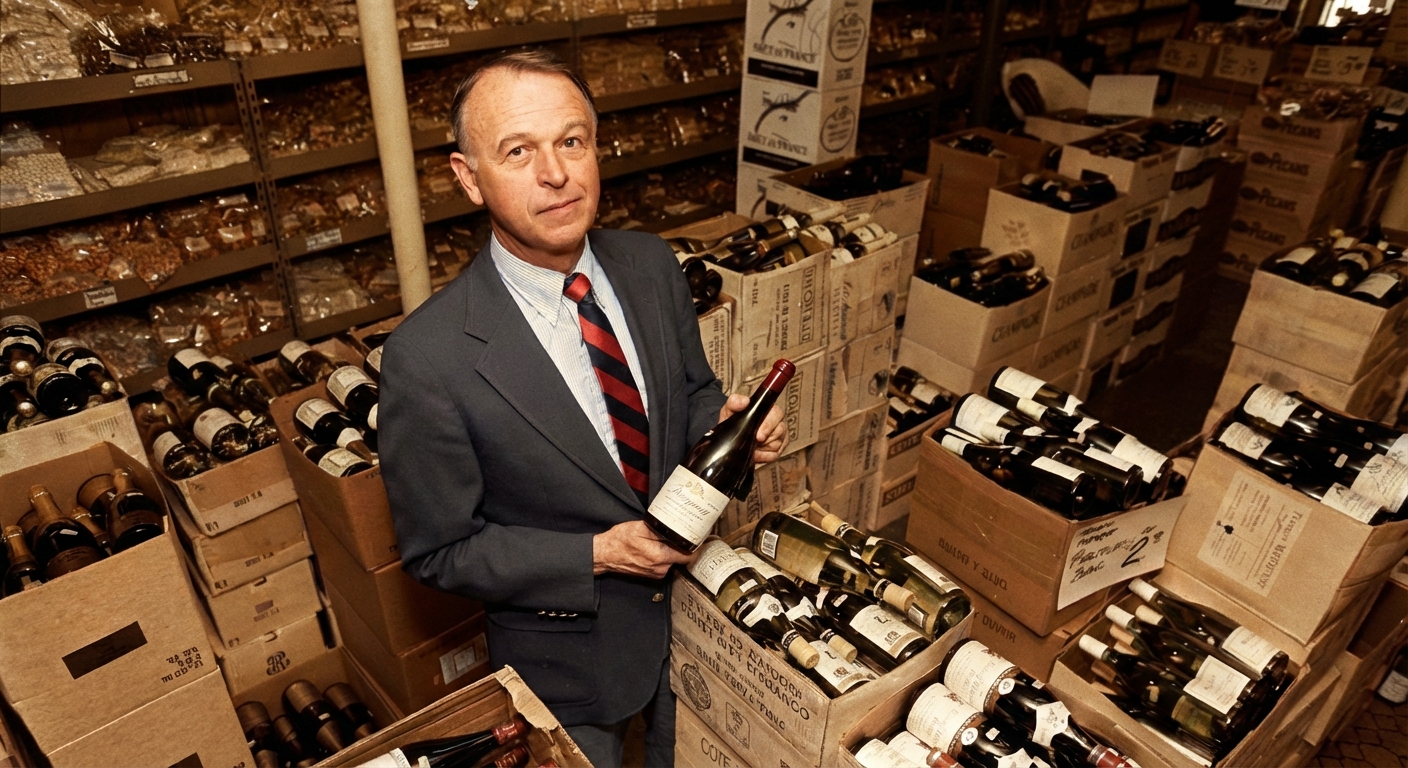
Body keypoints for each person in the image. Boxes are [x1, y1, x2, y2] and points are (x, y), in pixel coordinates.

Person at [377, 49, 788, 768]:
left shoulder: (650, 264)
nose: (556, 173)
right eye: (518, 151)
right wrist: (596, 554)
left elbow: (688, 392)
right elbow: (439, 551)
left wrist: (727, 428)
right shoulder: (428, 359)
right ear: (468, 178)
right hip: (572, 663)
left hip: (697, 622)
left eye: (572, 141)